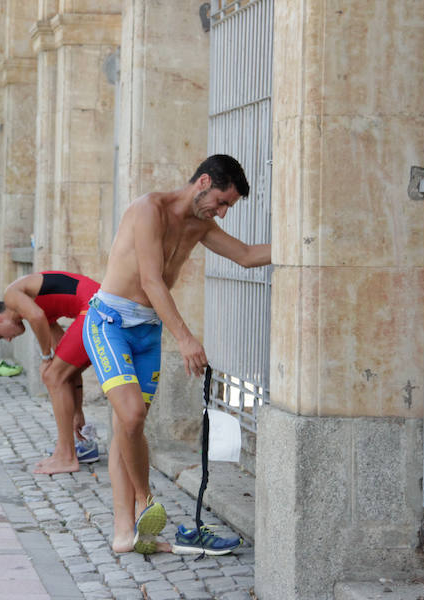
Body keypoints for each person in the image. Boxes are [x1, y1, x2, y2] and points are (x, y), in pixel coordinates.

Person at [82, 154, 271, 556]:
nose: (220, 212)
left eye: (226, 208)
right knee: (131, 416)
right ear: (203, 181)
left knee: (127, 427)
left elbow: (248, 255)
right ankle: (146, 500)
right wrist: (185, 338)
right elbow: (151, 280)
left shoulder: (200, 225)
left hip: (146, 333)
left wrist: (310, 242)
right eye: (220, 201)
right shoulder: (150, 209)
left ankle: (124, 532)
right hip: (110, 323)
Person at [0, 271, 101, 473]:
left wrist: (45, 357)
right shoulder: (42, 311)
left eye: (0, 337)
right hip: (97, 308)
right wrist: (77, 410)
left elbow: (36, 316)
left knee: (51, 374)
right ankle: (64, 450)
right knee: (58, 374)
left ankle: (68, 457)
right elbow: (70, 367)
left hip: (97, 307)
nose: (8, 340)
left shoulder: (12, 295)